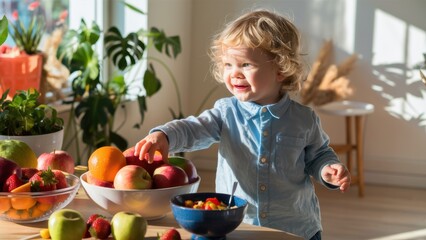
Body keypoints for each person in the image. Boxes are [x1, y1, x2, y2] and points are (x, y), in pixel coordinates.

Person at [134, 9, 351, 240]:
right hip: (237, 225)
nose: (234, 74)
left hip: (294, 227)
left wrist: (327, 170)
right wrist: (164, 135)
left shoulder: (304, 119)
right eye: (228, 64)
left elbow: (318, 156)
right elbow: (193, 128)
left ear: (280, 69)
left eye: (246, 65)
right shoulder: (226, 112)